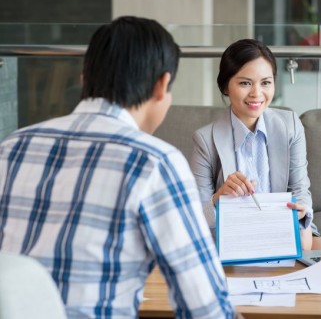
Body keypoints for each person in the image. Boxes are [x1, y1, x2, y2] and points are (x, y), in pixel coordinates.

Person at [0, 16, 239, 319]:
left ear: (85, 76)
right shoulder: (154, 162)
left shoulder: (11, 147)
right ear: (161, 85)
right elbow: (207, 310)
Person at [189, 38, 321, 250]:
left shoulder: (290, 125)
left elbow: (300, 189)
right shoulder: (205, 140)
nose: (257, 93)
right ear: (225, 86)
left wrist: (302, 211)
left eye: (266, 82)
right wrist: (218, 198)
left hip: (283, 231)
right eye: (245, 83)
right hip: (234, 239)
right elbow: (195, 218)